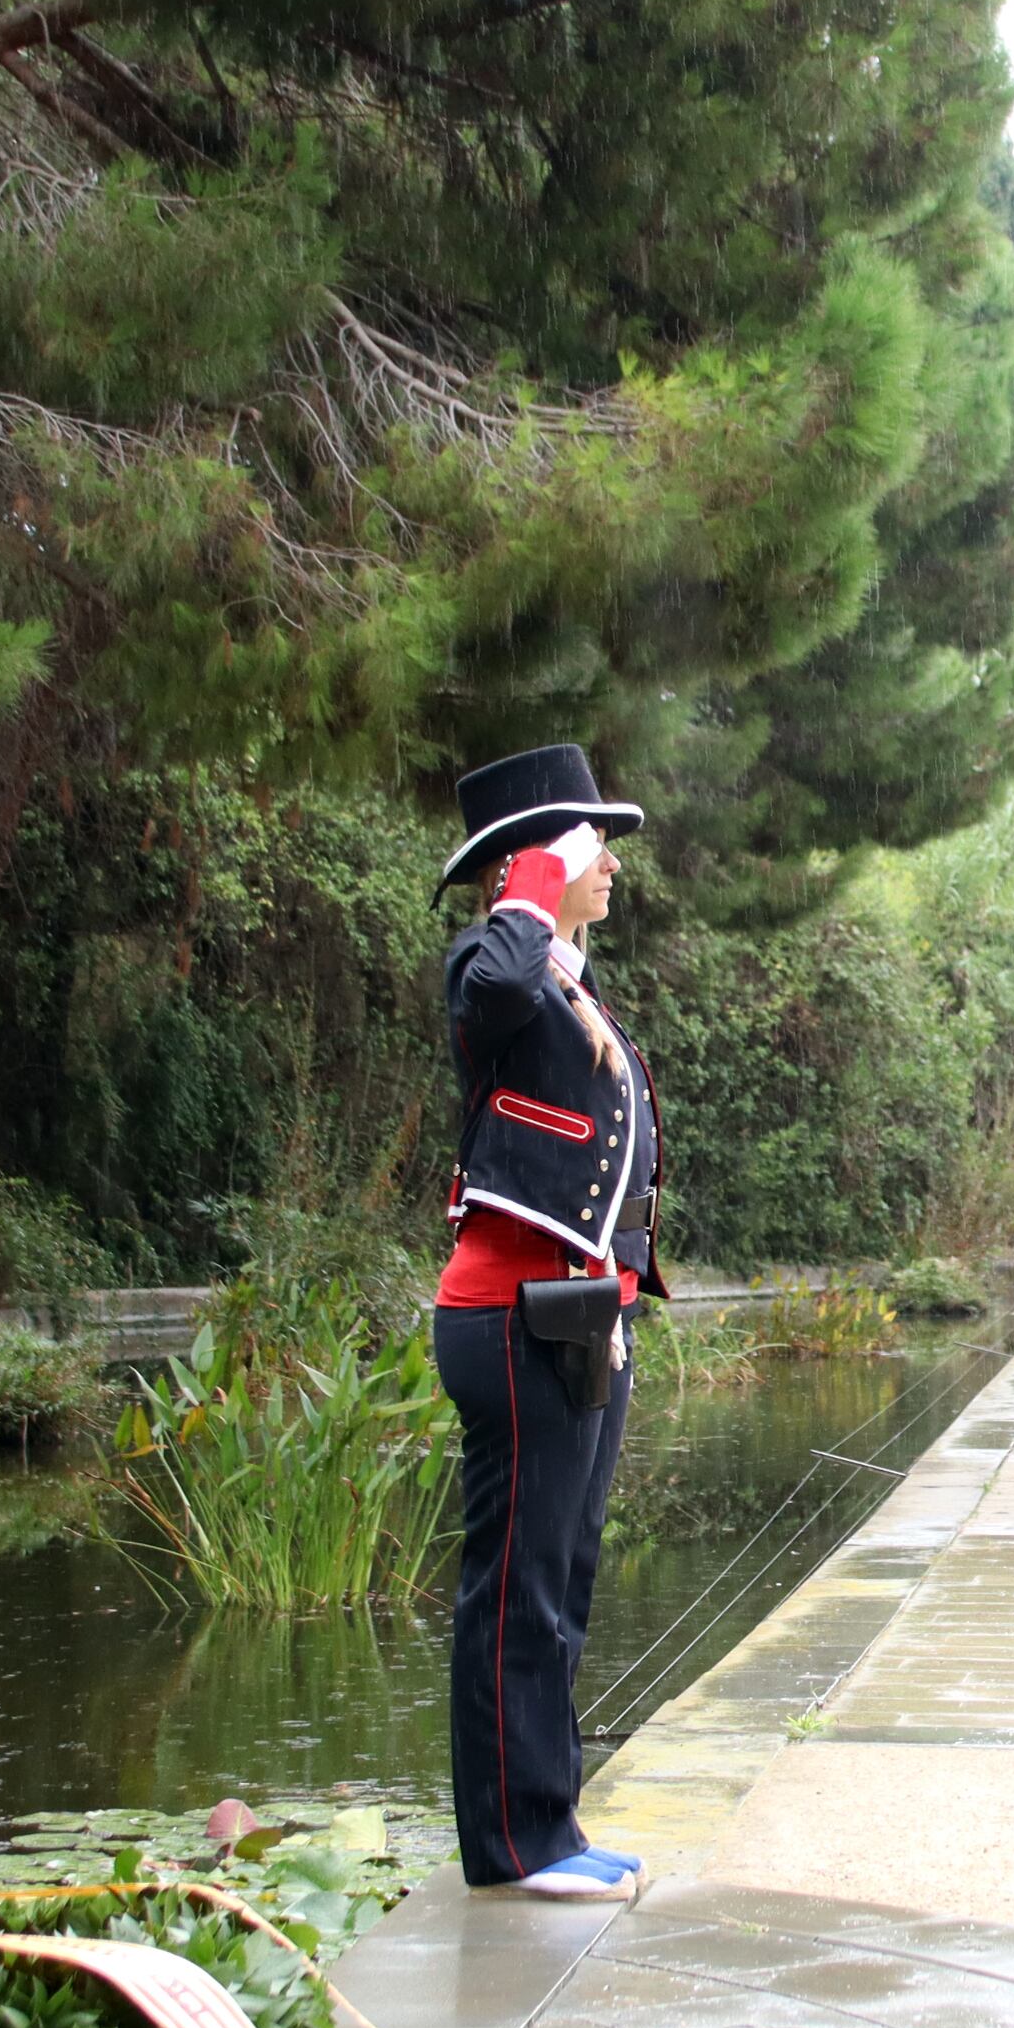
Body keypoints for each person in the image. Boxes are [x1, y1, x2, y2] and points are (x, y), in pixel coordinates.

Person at [433, 743, 665, 1908]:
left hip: (575, 1323)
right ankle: (515, 1846)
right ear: (538, 858)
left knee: (560, 1576)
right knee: (517, 1583)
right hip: (511, 1318)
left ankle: (551, 1820)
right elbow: (490, 997)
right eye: (590, 844)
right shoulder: (496, 957)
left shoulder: (563, 980)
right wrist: (528, 882)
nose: (609, 863)